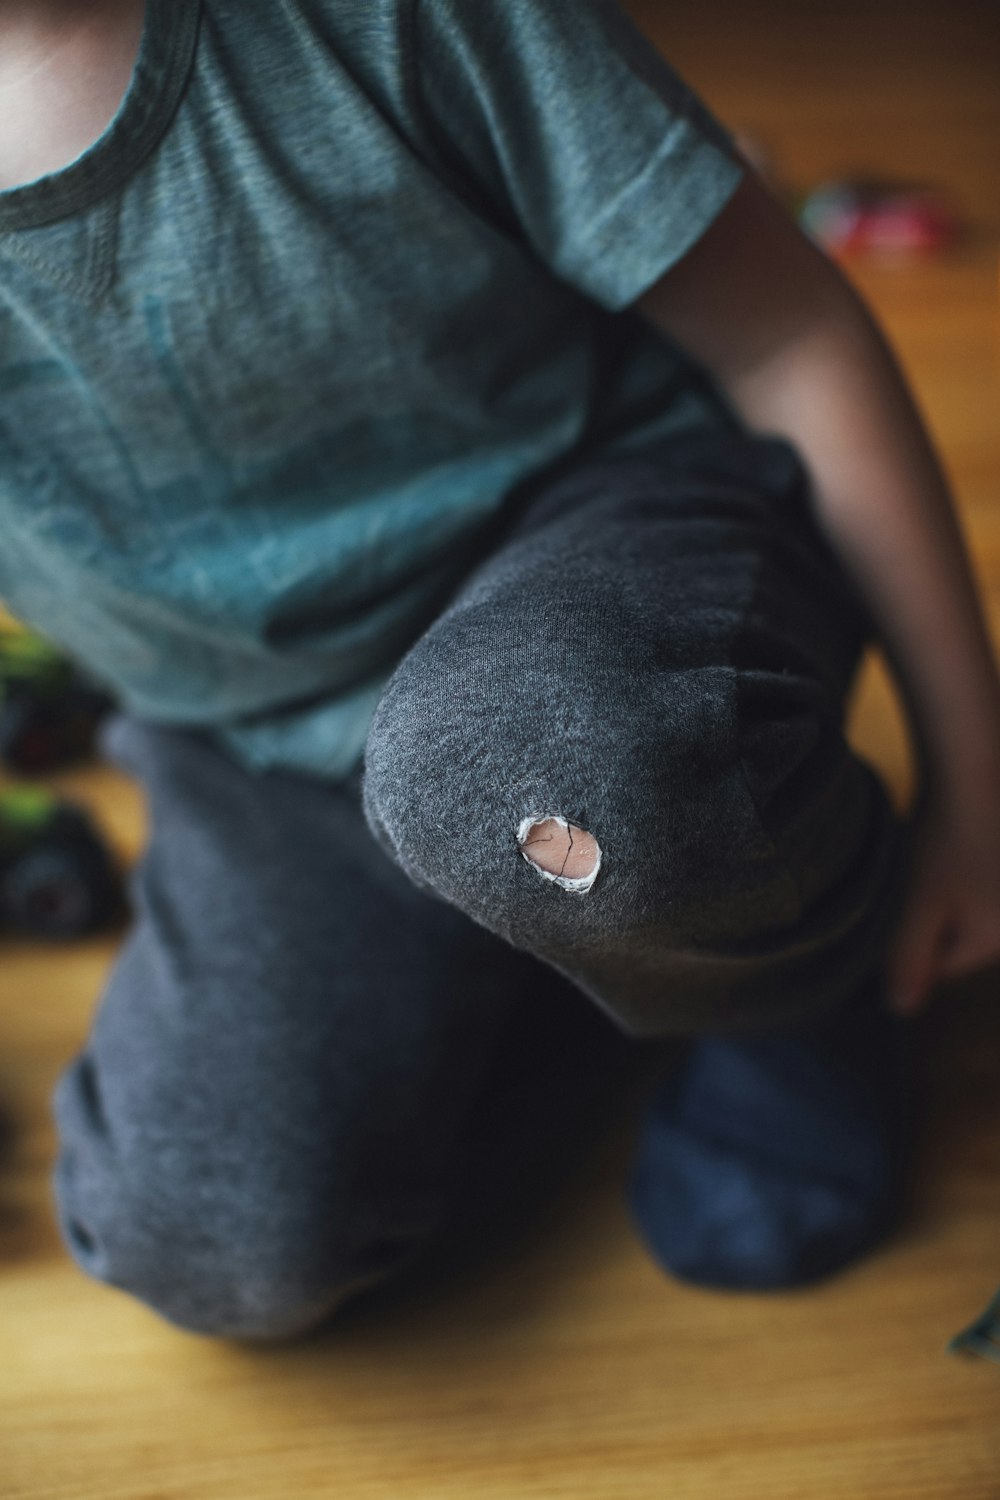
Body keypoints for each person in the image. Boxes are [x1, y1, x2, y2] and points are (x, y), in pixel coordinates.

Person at [3, 0, 999, 1341]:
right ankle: (612, 929)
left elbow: (789, 336)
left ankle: (784, 957)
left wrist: (977, 784)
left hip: (607, 560)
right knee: (210, 1233)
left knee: (534, 757)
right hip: (258, 736)